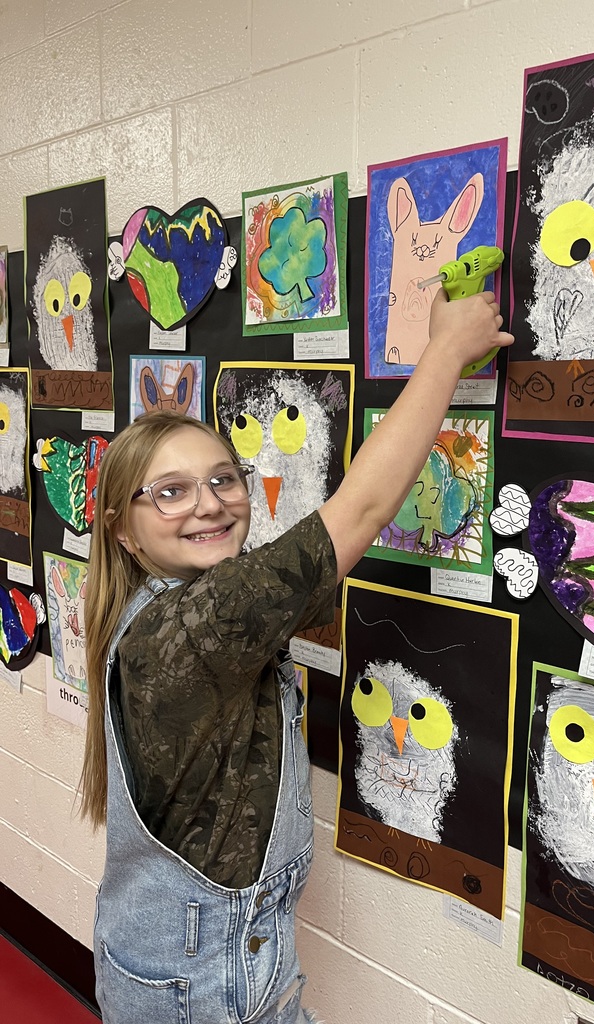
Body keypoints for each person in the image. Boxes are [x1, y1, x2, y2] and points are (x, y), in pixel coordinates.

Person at [80, 288, 513, 1024]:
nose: (210, 504)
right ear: (124, 529)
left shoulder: (187, 601)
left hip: (221, 958)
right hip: (199, 984)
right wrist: (444, 350)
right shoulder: (193, 628)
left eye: (223, 478)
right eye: (172, 493)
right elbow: (364, 510)